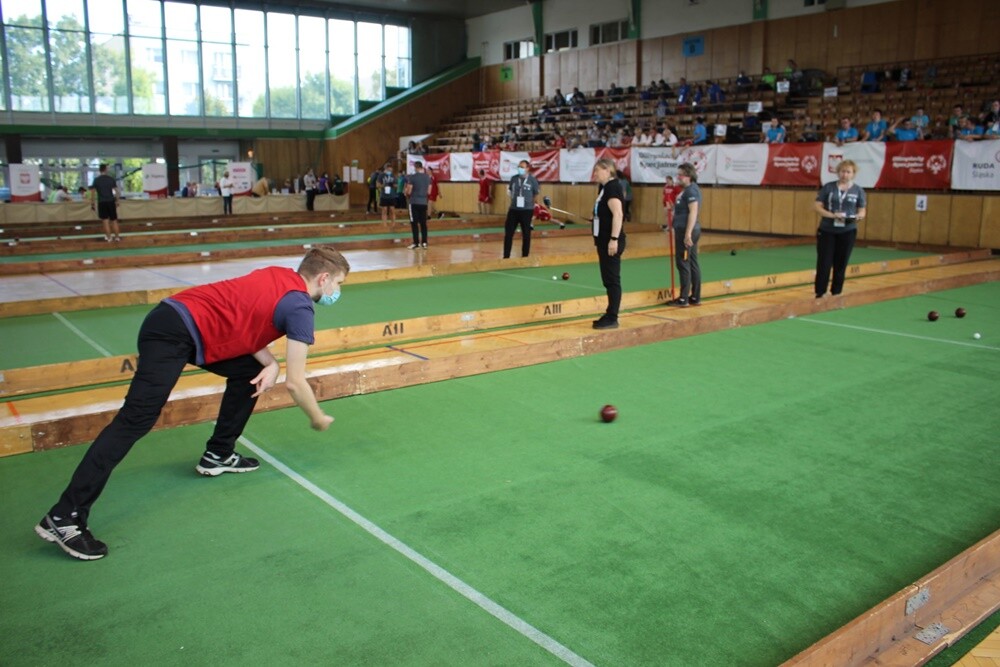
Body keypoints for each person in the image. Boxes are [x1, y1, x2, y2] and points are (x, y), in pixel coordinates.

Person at [34, 246, 352, 561]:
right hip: (173, 332)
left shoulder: (278, 277)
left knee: (251, 371)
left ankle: (218, 454)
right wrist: (317, 416)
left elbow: (243, 321)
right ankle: (65, 516)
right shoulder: (300, 307)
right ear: (323, 278)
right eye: (338, 284)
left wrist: (271, 363)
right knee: (134, 421)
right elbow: (296, 382)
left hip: (176, 320)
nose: (337, 291)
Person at [813, 160, 866, 298]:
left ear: (853, 174)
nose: (845, 174)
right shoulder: (828, 187)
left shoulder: (858, 190)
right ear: (838, 172)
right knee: (824, 262)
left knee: (841, 263)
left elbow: (862, 211)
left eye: (848, 172)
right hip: (827, 230)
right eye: (842, 171)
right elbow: (817, 206)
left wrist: (857, 218)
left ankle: (836, 293)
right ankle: (820, 293)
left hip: (847, 231)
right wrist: (831, 215)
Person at [591, 158, 626, 330]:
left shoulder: (612, 187)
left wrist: (614, 239)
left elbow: (618, 214)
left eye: (597, 170)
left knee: (612, 279)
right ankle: (610, 312)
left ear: (607, 170)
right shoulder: (604, 188)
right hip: (603, 239)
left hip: (610, 241)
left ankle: (613, 316)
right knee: (608, 279)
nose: (595, 173)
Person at [667, 163, 702, 307]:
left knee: (683, 263)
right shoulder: (686, 190)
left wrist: (687, 233)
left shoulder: (691, 191)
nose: (678, 177)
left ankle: (684, 298)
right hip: (685, 230)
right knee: (691, 262)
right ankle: (694, 296)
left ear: (688, 176)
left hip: (686, 232)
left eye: (680, 175)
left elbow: (693, 212)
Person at [502, 160, 540, 259]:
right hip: (514, 210)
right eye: (519, 167)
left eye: (522, 167)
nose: (520, 169)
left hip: (527, 211)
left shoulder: (532, 180)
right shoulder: (514, 179)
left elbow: (535, 194)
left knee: (526, 234)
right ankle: (506, 256)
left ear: (527, 168)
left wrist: (531, 205)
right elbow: (511, 191)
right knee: (508, 233)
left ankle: (525, 256)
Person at [90, 163, 121, 242]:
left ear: (100, 170)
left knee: (105, 221)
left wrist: (92, 203)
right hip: (111, 201)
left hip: (102, 202)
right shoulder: (111, 179)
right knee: (114, 220)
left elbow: (93, 193)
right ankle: (117, 237)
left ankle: (109, 238)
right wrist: (117, 201)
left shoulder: (96, 180)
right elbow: (117, 191)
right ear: (105, 169)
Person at [404, 161, 431, 249]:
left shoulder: (412, 177)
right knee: (423, 223)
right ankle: (424, 242)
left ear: (415, 167)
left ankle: (416, 243)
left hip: (414, 202)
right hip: (423, 202)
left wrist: (406, 193)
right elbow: (429, 191)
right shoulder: (428, 177)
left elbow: (409, 191)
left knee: (414, 223)